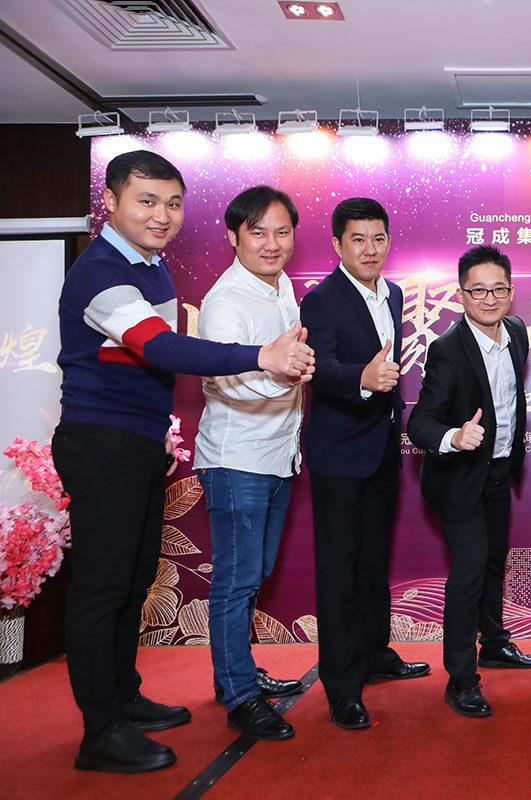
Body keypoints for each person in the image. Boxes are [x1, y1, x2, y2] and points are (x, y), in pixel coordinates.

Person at [52, 151, 314, 773]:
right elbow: (161, 348)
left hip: (139, 439)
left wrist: (158, 430)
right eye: (146, 201)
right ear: (110, 201)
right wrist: (261, 356)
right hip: (101, 441)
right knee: (103, 588)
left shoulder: (153, 267)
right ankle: (101, 731)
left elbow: (144, 366)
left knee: (135, 580)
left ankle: (123, 696)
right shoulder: (101, 272)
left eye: (173, 203)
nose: (162, 215)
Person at [299, 197, 430, 731]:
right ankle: (342, 686)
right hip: (338, 451)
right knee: (339, 569)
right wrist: (362, 378)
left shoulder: (392, 293)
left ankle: (376, 653)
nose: (370, 249)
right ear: (337, 244)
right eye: (358, 239)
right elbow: (318, 367)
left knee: (374, 560)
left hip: (381, 449)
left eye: (379, 238)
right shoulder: (321, 299)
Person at [408, 245, 531, 718]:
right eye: (478, 291)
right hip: (458, 479)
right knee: (468, 571)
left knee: (492, 562)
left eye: (498, 289)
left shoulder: (517, 331)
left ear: (511, 291)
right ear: (461, 294)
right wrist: (454, 436)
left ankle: (495, 644)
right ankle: (461, 679)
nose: (490, 299)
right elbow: (419, 423)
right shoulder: (447, 351)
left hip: (499, 471)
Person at [194, 186, 310, 741]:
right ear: (233, 236)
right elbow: (227, 382)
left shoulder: (282, 286)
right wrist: (286, 373)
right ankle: (240, 694)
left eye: (282, 232)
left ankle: (235, 673)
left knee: (254, 572)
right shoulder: (226, 302)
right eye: (257, 232)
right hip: (235, 459)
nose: (272, 243)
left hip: (278, 456)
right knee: (237, 578)